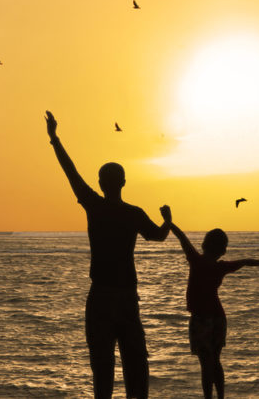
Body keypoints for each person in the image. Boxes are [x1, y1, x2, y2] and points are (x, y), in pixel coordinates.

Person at [45, 111, 171, 399]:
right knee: (136, 370)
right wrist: (167, 219)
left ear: (101, 184)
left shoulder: (95, 205)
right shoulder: (134, 214)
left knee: (103, 371)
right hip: (126, 297)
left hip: (101, 297)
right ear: (123, 183)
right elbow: (158, 236)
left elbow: (71, 172)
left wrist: (54, 138)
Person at [169, 220, 259, 398]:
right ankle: (220, 396)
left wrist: (169, 221)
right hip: (219, 318)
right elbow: (246, 261)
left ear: (205, 243)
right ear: (222, 249)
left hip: (201, 319)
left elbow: (182, 237)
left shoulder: (196, 260)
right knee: (215, 361)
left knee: (205, 363)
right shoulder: (220, 267)